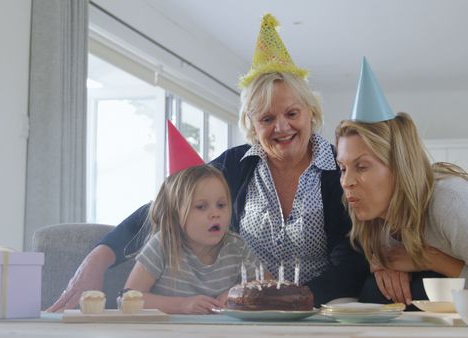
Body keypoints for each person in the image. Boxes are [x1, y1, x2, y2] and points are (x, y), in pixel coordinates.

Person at [48, 13, 368, 312]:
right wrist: (100, 256)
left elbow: (351, 260)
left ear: (311, 112)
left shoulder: (340, 168)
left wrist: (291, 301)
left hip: (318, 311)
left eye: (292, 113)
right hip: (244, 315)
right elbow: (168, 205)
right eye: (267, 118)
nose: (281, 127)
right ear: (251, 125)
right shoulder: (236, 165)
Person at [334, 58, 468, 306]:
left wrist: (432, 260)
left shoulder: (454, 206)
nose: (347, 182)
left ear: (399, 167)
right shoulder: (375, 213)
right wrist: (384, 264)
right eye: (342, 168)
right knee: (376, 291)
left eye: (361, 167)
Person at [125, 165, 258, 314]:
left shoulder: (237, 247)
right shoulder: (163, 245)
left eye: (221, 205)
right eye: (201, 207)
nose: (215, 213)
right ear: (176, 214)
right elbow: (127, 299)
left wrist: (240, 294)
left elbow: (263, 287)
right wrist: (182, 305)